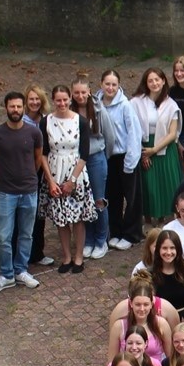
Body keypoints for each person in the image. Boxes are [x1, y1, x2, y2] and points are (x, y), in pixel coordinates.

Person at [0, 91, 47, 294]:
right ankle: (6, 274)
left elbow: (38, 159)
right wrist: (4, 178)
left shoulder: (33, 133)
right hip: (6, 192)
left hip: (29, 191)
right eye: (12, 106)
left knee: (26, 234)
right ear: (6, 108)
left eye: (19, 106)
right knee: (4, 235)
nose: (16, 110)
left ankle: (21, 270)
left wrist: (28, 176)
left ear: (23, 108)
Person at [39, 85, 95, 274]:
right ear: (53, 100)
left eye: (65, 99)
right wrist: (50, 180)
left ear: (70, 99)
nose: (62, 103)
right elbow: (43, 153)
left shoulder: (81, 121)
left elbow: (84, 153)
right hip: (54, 170)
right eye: (58, 100)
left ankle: (78, 256)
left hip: (76, 172)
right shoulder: (45, 122)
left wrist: (72, 180)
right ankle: (66, 256)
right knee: (61, 218)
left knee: (78, 218)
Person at [97, 69, 144, 252]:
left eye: (114, 84)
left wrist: (131, 161)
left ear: (119, 86)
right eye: (107, 84)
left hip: (126, 155)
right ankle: (115, 231)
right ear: (101, 84)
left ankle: (132, 234)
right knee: (112, 196)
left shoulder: (125, 105)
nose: (110, 88)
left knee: (132, 197)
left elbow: (134, 133)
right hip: (108, 156)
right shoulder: (97, 104)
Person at [131, 68, 182, 224]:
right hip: (143, 146)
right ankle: (147, 219)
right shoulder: (136, 102)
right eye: (150, 80)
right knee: (147, 186)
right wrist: (143, 153)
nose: (154, 83)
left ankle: (162, 220)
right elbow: (132, 129)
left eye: (157, 80)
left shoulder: (171, 104)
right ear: (146, 83)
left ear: (163, 81)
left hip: (164, 148)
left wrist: (154, 150)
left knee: (165, 185)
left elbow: (172, 133)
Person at [70, 78, 111, 260]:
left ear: (89, 92)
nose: (80, 96)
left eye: (83, 92)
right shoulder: (68, 111)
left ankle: (101, 239)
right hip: (77, 160)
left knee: (98, 200)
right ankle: (88, 240)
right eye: (76, 92)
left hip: (95, 158)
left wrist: (103, 156)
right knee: (82, 201)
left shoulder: (98, 109)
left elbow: (109, 135)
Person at [107, 273, 175, 363]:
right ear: (131, 303)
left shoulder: (161, 324)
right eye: (138, 304)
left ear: (152, 304)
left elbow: (170, 359)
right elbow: (112, 362)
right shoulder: (119, 327)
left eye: (146, 304)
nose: (142, 309)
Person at [21, 85, 52, 267]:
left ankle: (37, 252)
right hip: (26, 171)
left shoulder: (46, 120)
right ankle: (22, 255)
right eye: (31, 99)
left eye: (37, 99)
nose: (34, 102)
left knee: (39, 214)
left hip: (42, 171)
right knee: (25, 215)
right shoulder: (21, 121)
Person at [137, 228, 184, 310]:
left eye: (172, 248)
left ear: (178, 249)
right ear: (158, 250)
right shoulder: (150, 274)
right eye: (164, 248)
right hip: (160, 318)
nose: (168, 252)